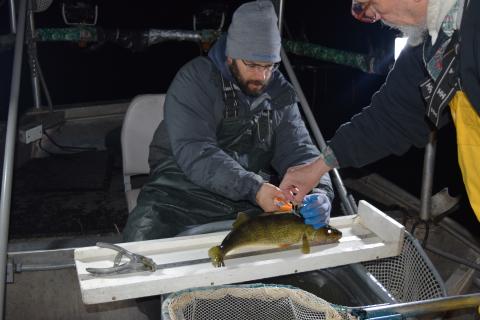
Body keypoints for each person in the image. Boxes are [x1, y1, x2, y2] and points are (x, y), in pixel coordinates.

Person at [123, 0, 334, 241]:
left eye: (269, 66)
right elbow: (196, 152)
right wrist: (254, 189)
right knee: (138, 252)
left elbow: (300, 151)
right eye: (252, 65)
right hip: (177, 196)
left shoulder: (279, 93)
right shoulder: (194, 80)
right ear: (231, 56)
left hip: (247, 203)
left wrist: (320, 192)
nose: (261, 76)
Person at [279, 0, 480, 222]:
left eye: (368, 4)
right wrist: (318, 167)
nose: (373, 17)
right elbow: (390, 118)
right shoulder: (433, 42)